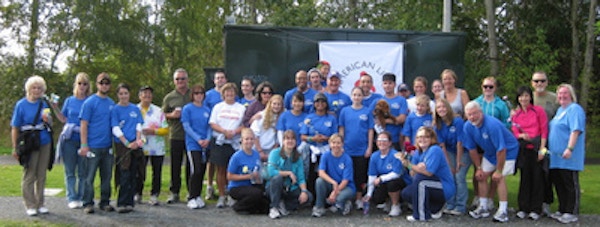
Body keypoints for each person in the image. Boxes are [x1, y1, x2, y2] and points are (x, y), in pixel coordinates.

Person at [463, 101, 519, 223]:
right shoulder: (467, 126)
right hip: (490, 152)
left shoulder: (492, 125)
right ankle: (483, 207)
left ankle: (503, 211)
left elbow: (502, 149)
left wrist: (498, 170)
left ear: (481, 112)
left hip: (508, 151)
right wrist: (478, 167)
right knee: (481, 176)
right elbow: (472, 149)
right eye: (469, 115)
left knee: (499, 178)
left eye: (474, 113)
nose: (472, 117)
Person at [11, 75, 53, 216]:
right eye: (34, 87)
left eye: (39, 88)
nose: (36, 90)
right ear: (29, 89)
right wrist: (15, 146)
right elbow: (15, 127)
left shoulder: (44, 104)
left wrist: (48, 119)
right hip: (29, 143)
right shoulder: (21, 105)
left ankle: (40, 203)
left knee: (41, 174)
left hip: (44, 141)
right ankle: (30, 204)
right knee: (30, 174)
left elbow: (50, 122)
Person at [399, 127, 455, 222]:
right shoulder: (418, 152)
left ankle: (421, 215)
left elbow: (429, 172)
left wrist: (411, 165)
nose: (422, 139)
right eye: (419, 137)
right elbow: (412, 173)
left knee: (421, 181)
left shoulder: (435, 149)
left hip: (444, 185)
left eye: (426, 137)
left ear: (432, 138)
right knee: (407, 193)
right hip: (431, 184)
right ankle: (435, 208)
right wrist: (410, 165)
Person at [548, 84, 585, 224]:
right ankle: (562, 209)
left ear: (571, 95)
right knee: (559, 183)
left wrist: (569, 148)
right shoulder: (559, 111)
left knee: (570, 183)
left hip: (569, 156)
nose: (562, 96)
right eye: (559, 94)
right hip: (556, 156)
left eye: (565, 93)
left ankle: (572, 211)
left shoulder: (575, 109)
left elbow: (575, 130)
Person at [79, 72, 116, 214]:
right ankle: (88, 203)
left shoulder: (112, 103)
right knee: (89, 177)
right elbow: (83, 124)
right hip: (92, 146)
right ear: (97, 84)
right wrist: (84, 144)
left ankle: (105, 202)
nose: (104, 85)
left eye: (107, 83)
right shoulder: (89, 102)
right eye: (101, 83)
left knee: (106, 177)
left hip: (107, 146)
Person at [53, 72, 91, 209]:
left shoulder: (90, 101)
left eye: (85, 84)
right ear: (76, 84)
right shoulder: (69, 100)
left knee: (83, 171)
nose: (82, 86)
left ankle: (81, 196)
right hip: (69, 139)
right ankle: (71, 197)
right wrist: (55, 107)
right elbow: (63, 118)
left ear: (88, 86)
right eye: (79, 83)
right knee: (70, 171)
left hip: (84, 140)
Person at [511, 86, 548, 220]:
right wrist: (521, 135)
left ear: (530, 97)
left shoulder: (538, 111)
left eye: (526, 96)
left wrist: (542, 150)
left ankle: (536, 209)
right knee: (525, 179)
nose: (524, 99)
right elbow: (514, 132)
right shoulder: (516, 115)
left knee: (537, 179)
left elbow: (544, 131)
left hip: (537, 148)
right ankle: (523, 207)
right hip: (524, 150)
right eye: (521, 96)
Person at [209, 82, 245, 208]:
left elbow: (244, 125)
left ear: (235, 93)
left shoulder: (241, 108)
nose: (229, 94)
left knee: (233, 170)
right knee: (221, 170)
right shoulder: (218, 107)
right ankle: (221, 196)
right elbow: (213, 123)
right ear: (223, 94)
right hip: (220, 142)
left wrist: (234, 132)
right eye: (227, 92)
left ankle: (232, 196)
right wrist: (224, 131)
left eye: (232, 92)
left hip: (234, 143)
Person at [111, 83, 144, 213]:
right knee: (124, 173)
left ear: (129, 94)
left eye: (126, 93)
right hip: (122, 145)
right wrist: (126, 143)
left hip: (134, 144)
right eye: (121, 93)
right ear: (118, 95)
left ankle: (130, 202)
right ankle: (122, 202)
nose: (123, 96)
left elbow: (138, 125)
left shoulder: (135, 109)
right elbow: (115, 128)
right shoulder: (115, 109)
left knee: (133, 173)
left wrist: (137, 140)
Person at [339, 87, 374, 209]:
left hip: (362, 149)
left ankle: (358, 198)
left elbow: (370, 130)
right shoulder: (345, 111)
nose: (357, 97)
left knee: (360, 174)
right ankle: (347, 198)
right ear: (351, 96)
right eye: (354, 95)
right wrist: (341, 145)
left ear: (363, 97)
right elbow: (342, 129)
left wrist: (369, 147)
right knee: (347, 174)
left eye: (359, 95)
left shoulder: (367, 111)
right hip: (348, 148)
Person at [265, 130, 313, 219]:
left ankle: (284, 205)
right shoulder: (275, 153)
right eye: (287, 139)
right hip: (274, 187)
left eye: (292, 139)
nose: (290, 141)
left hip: (290, 188)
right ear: (283, 141)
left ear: (295, 141)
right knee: (277, 178)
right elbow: (271, 172)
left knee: (308, 197)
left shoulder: (298, 157)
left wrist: (304, 191)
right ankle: (274, 208)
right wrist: (288, 173)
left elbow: (301, 177)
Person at [434, 99, 469, 215]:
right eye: (438, 108)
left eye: (443, 107)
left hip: (463, 151)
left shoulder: (457, 121)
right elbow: (442, 145)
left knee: (459, 176)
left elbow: (460, 142)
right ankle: (450, 204)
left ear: (448, 108)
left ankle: (460, 206)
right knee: (449, 175)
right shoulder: (437, 125)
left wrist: (459, 162)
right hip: (449, 150)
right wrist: (448, 165)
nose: (441, 110)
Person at [298, 93, 338, 195]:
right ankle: (311, 197)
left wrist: (326, 138)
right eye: (317, 102)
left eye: (322, 101)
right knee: (311, 174)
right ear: (314, 104)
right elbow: (302, 136)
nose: (320, 104)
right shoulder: (309, 118)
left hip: (327, 150)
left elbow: (336, 136)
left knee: (326, 174)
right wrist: (313, 138)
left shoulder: (331, 118)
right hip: (312, 151)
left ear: (326, 104)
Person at [531, 71, 558, 216]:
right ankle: (533, 203)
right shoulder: (529, 98)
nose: (539, 84)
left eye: (542, 81)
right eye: (536, 81)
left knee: (547, 173)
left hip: (550, 140)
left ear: (547, 82)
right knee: (533, 173)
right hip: (532, 141)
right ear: (532, 83)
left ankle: (546, 203)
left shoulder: (554, 98)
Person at [162, 68, 191, 204]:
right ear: (174, 81)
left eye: (183, 78)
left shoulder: (194, 94)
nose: (180, 81)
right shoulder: (169, 97)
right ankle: (175, 192)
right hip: (176, 135)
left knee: (191, 166)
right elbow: (161, 115)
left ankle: (191, 192)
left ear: (187, 80)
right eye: (178, 79)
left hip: (192, 136)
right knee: (175, 165)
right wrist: (171, 115)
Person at [136, 85, 168, 206]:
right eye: (145, 94)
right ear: (140, 96)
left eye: (149, 94)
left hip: (156, 147)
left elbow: (166, 130)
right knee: (139, 171)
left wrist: (153, 131)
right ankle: (137, 193)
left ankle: (154, 195)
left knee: (157, 172)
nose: (147, 96)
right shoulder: (134, 109)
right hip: (140, 146)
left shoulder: (158, 111)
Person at [181, 84, 212, 209]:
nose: (199, 95)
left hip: (205, 144)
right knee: (196, 169)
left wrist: (208, 139)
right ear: (192, 95)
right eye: (196, 93)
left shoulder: (207, 109)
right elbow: (187, 126)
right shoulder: (187, 108)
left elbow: (210, 126)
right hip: (193, 144)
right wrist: (198, 139)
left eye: (201, 93)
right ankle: (191, 197)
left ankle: (198, 195)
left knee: (202, 170)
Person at [226, 128, 270, 214]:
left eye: (251, 139)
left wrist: (258, 177)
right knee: (256, 194)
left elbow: (257, 169)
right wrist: (247, 176)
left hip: (252, 184)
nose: (249, 141)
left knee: (266, 204)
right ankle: (238, 206)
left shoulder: (256, 154)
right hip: (237, 187)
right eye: (246, 139)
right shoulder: (236, 156)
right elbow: (229, 176)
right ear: (242, 140)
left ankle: (252, 209)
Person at [311, 134, 356, 217]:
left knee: (338, 198)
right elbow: (321, 173)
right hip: (332, 185)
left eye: (338, 143)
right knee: (319, 181)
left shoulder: (347, 159)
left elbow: (345, 180)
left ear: (342, 144)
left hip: (346, 187)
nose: (336, 145)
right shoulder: (325, 156)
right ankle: (319, 207)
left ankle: (346, 203)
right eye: (333, 143)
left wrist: (335, 192)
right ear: (330, 144)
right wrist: (334, 183)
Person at [363, 132, 405, 217]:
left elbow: (397, 173)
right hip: (383, 182)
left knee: (392, 183)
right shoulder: (374, 156)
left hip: (398, 182)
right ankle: (387, 201)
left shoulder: (395, 154)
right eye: (379, 140)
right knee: (375, 196)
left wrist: (381, 178)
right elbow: (372, 175)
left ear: (390, 143)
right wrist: (369, 194)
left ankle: (395, 205)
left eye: (384, 140)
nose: (382, 142)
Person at [203, 70, 227, 201]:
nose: (220, 80)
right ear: (214, 80)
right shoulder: (208, 95)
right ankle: (210, 186)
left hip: (227, 135)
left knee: (223, 164)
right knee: (211, 161)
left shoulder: (231, 95)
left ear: (226, 80)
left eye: (222, 78)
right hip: (212, 132)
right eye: (218, 78)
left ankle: (223, 188)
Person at [370, 73, 408, 150]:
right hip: (380, 140)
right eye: (385, 83)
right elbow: (369, 116)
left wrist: (384, 121)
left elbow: (402, 118)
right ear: (382, 85)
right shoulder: (377, 101)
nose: (387, 86)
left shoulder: (401, 100)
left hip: (395, 139)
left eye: (390, 83)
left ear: (394, 85)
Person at [251, 95, 283, 161]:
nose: (276, 106)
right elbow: (254, 135)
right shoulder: (261, 115)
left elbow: (279, 137)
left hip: (271, 150)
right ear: (270, 104)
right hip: (257, 149)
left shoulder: (281, 118)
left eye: (279, 104)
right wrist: (260, 151)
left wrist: (273, 152)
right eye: (274, 104)